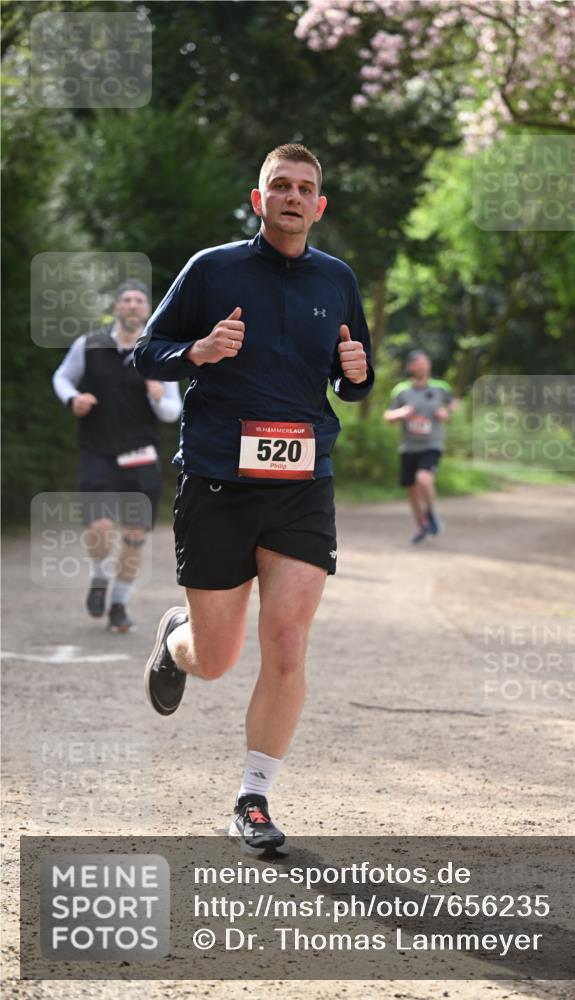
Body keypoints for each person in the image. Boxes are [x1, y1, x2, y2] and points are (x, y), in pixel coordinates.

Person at [134, 144, 373, 855]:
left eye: (305, 188)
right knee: (217, 657)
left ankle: (254, 796)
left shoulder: (336, 278)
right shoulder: (212, 269)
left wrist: (356, 376)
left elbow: (352, 375)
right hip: (217, 483)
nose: (293, 197)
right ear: (257, 197)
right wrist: (198, 353)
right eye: (280, 186)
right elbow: (148, 353)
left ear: (319, 205)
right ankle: (177, 645)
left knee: (289, 643)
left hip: (302, 486)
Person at [52, 280, 182, 632]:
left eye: (139, 300)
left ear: (147, 309)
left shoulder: (157, 353)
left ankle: (120, 605)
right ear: (116, 307)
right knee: (100, 528)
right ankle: (98, 576)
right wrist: (72, 399)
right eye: (126, 299)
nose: (132, 305)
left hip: (141, 457)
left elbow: (174, 411)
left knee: (135, 536)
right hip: (98, 452)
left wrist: (159, 397)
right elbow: (62, 377)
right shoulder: (90, 344)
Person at [384, 350, 455, 543]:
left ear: (429, 366)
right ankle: (421, 526)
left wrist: (445, 412)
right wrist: (401, 413)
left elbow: (453, 403)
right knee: (413, 491)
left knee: (423, 479)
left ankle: (431, 512)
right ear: (410, 367)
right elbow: (388, 416)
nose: (422, 365)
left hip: (432, 444)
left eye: (425, 362)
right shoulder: (401, 391)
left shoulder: (441, 388)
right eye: (418, 363)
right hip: (408, 447)